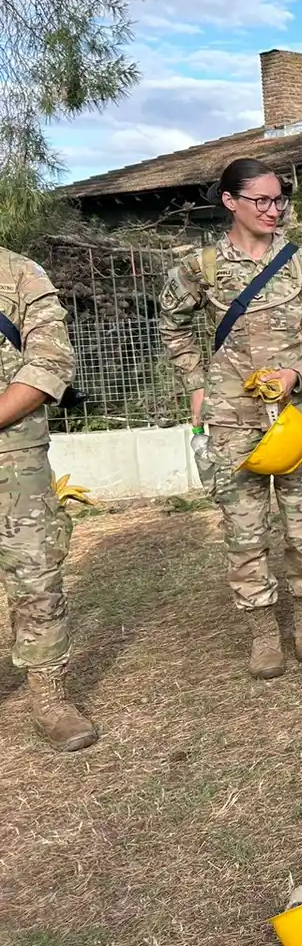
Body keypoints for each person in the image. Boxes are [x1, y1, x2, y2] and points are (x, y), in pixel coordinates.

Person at [159, 158, 302, 680]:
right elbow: (173, 325)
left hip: (298, 415)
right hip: (231, 418)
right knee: (244, 530)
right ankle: (263, 632)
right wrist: (196, 385)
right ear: (230, 201)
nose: (273, 210)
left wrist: (299, 372)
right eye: (261, 200)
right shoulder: (202, 267)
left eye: (278, 200)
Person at [0, 249, 97, 751]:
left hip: (12, 455)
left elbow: (50, 363)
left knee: (35, 576)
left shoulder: (19, 273)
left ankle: (50, 700)